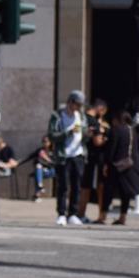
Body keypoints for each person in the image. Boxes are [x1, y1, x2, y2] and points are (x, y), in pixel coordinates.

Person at [105, 110, 139, 225]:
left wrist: (107, 163)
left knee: (108, 191)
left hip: (117, 165)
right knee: (125, 193)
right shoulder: (132, 131)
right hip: (130, 164)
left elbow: (111, 149)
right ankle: (123, 217)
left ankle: (103, 216)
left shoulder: (116, 130)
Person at [47, 90, 87, 226]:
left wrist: (88, 133)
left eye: (81, 105)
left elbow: (84, 133)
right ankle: (61, 214)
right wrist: (68, 133)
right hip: (63, 156)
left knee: (76, 186)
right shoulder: (58, 116)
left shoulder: (80, 115)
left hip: (78, 154)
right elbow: (52, 135)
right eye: (77, 104)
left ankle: (73, 214)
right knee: (63, 186)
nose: (79, 107)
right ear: (70, 102)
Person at [78, 98, 110, 222]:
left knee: (83, 186)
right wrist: (107, 137)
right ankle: (101, 215)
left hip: (81, 155)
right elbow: (97, 142)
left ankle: (79, 214)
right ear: (100, 109)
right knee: (100, 186)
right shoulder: (95, 122)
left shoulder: (82, 118)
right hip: (95, 158)